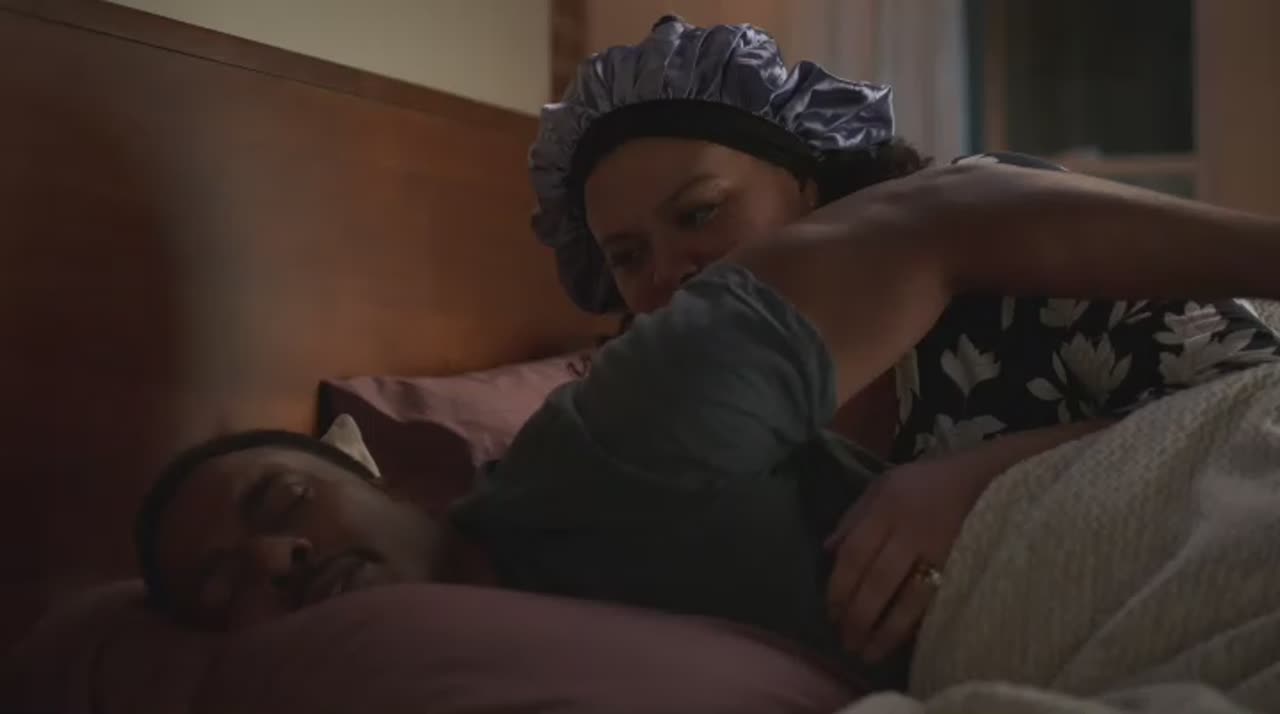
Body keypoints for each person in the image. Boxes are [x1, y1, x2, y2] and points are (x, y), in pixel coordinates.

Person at [134, 17, 1280, 688]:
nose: (274, 556)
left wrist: (977, 477)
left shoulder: (614, 444)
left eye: (698, 216)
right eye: (627, 257)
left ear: (807, 191)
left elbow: (961, 217)